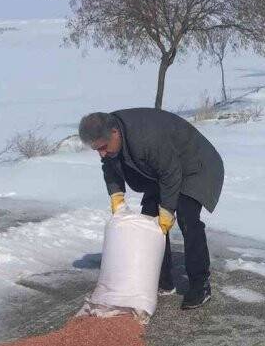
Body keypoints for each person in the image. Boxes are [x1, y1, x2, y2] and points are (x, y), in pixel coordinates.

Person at [78, 108, 224, 310]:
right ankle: (163, 280)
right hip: (163, 169)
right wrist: (117, 196)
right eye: (97, 150)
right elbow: (110, 167)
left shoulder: (145, 137)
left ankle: (200, 284)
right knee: (149, 218)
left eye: (103, 147)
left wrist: (167, 212)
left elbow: (171, 174)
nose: (102, 153)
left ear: (115, 133)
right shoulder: (108, 135)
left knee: (186, 216)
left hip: (195, 165)